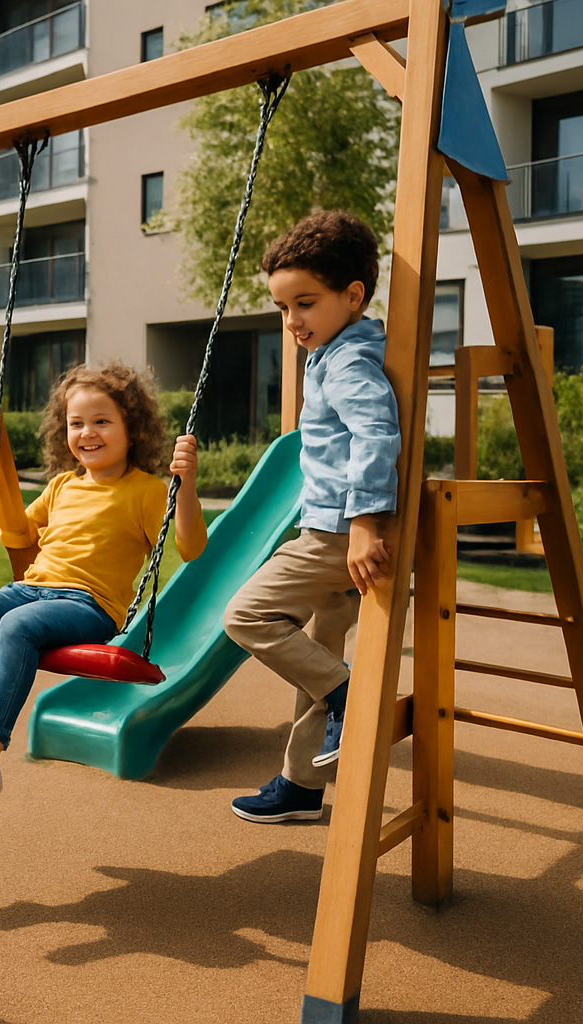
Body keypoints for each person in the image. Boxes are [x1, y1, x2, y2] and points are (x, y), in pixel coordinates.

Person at [0, 362, 207, 811]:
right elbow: (17, 535)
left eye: (102, 421)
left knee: (17, 626)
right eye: (76, 423)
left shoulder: (148, 491)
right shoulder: (61, 487)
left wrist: (184, 486)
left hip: (91, 605)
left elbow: (190, 548)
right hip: (33, 589)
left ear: (134, 429)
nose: (87, 432)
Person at [225, 210, 400, 823]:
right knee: (316, 658)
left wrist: (365, 524)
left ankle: (352, 697)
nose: (292, 321)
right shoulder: (336, 348)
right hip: (331, 528)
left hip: (337, 535)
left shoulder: (349, 361)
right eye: (282, 307)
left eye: (305, 303)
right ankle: (300, 785)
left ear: (352, 296)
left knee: (246, 615)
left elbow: (375, 434)